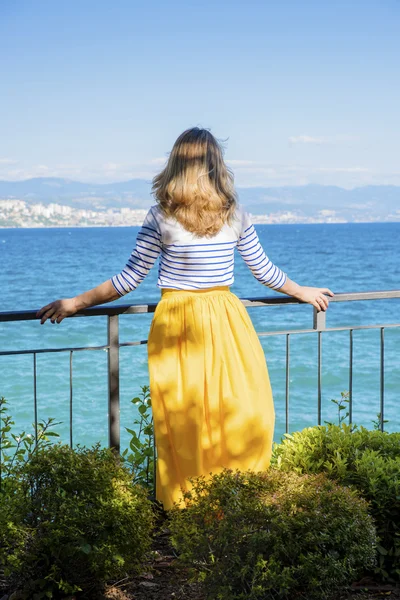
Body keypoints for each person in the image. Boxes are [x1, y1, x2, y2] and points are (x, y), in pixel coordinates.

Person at [37, 127, 334, 511]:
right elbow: (262, 271)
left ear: (176, 163)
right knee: (211, 416)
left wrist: (76, 302)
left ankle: (216, 506)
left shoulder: (212, 213)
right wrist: (75, 303)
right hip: (205, 320)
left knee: (220, 414)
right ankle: (211, 510)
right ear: (216, 164)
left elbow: (130, 278)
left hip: (197, 320)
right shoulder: (185, 214)